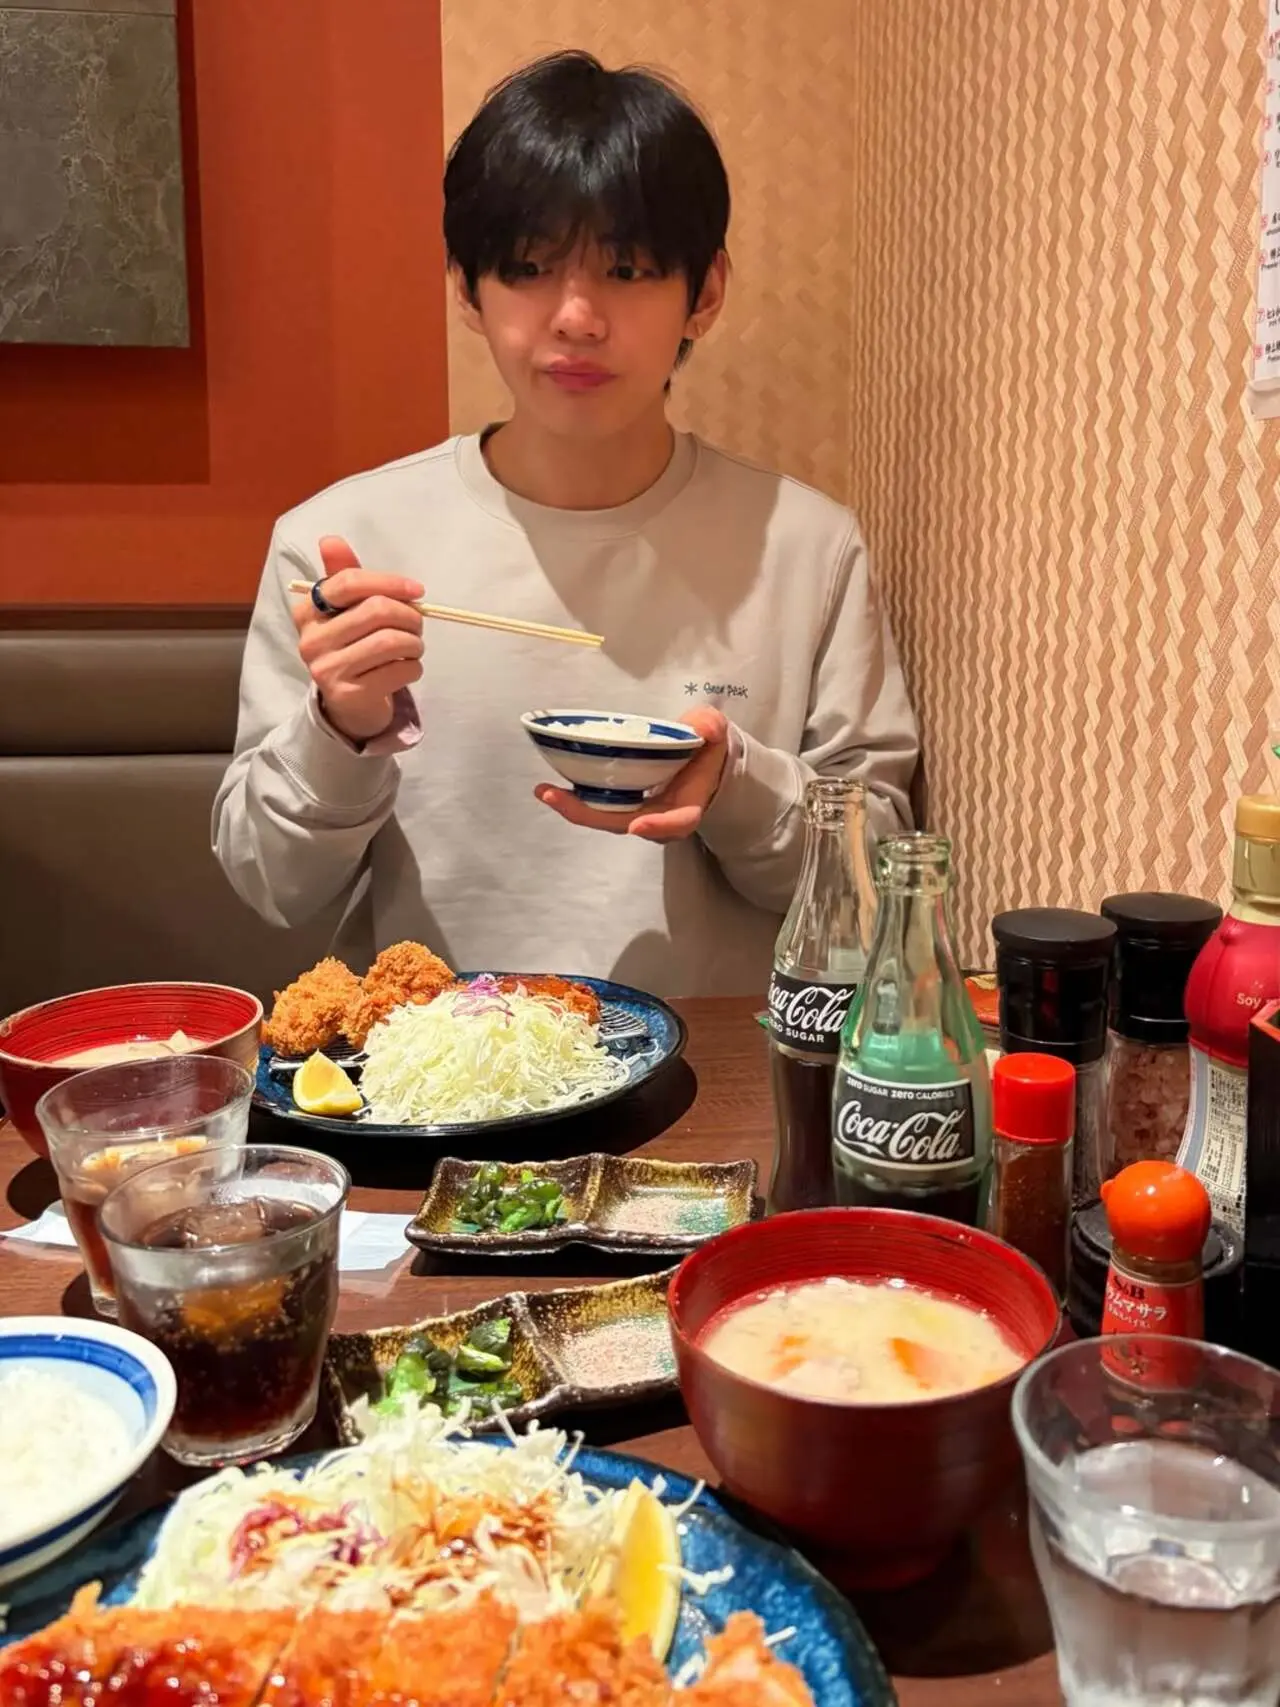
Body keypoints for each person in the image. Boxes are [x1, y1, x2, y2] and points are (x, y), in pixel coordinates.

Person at [213, 50, 918, 997]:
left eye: (626, 269)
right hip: (439, 1100)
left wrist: (736, 783)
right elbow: (269, 882)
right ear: (468, 288)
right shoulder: (341, 546)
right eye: (531, 269)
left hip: (717, 1099)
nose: (578, 317)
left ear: (703, 293)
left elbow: (878, 896)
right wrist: (341, 725)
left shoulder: (807, 547)